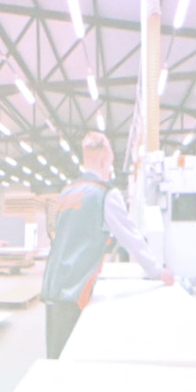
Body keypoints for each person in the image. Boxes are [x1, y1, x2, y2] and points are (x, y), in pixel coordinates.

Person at [39, 131, 174, 358]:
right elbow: (131, 237)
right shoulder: (105, 194)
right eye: (110, 163)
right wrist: (158, 272)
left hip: (53, 285)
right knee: (69, 361)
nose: (110, 170)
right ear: (103, 160)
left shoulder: (67, 192)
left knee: (55, 356)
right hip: (75, 290)